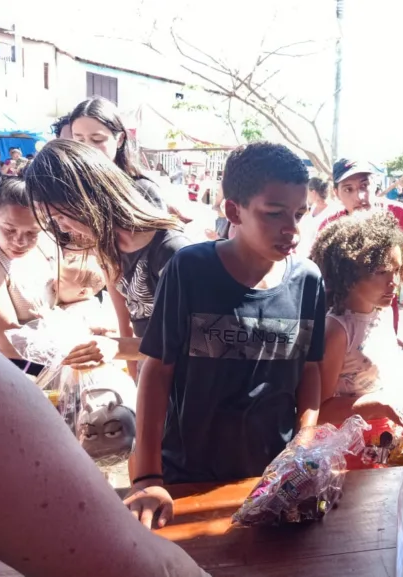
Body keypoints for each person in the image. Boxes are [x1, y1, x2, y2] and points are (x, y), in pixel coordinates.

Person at [0, 193, 208, 577]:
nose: (22, 239)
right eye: (11, 230)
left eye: (36, 231)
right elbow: (118, 556)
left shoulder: (50, 254)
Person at [124, 142, 325, 529]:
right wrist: (148, 477)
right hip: (189, 472)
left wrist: (305, 441)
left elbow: (310, 370)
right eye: (274, 213)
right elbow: (157, 370)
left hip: (272, 479)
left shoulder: (308, 282)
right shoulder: (190, 269)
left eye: (299, 213)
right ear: (234, 210)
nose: (292, 229)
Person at [23, 139, 191, 378]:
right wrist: (129, 363)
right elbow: (126, 318)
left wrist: (118, 347)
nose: (65, 229)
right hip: (149, 367)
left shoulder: (172, 251)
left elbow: (192, 341)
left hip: (184, 379)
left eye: (62, 217)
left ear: (87, 198)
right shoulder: (106, 244)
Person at [311, 211, 403, 466]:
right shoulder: (337, 330)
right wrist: (376, 404)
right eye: (382, 271)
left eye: (396, 270)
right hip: (348, 450)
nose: (394, 282)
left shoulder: (380, 314)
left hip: (383, 439)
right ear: (348, 275)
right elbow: (320, 410)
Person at [321, 159, 403, 346]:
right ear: (336, 193)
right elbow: (325, 284)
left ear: (376, 185)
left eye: (364, 185)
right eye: (348, 189)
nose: (360, 196)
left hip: (384, 317)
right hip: (342, 323)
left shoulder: (400, 215)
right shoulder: (330, 226)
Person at [0, 177, 57, 375]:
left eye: (32, 233)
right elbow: (10, 342)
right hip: (8, 370)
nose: (20, 241)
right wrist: (74, 349)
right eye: (9, 230)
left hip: (46, 360)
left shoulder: (45, 245)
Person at [69, 97, 165, 210]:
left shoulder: (143, 190)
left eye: (97, 139)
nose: (88, 147)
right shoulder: (68, 186)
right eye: (79, 140)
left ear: (120, 139)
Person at [297, 176, 333, 257]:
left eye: (307, 191)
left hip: (315, 258)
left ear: (313, 192)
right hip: (300, 255)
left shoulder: (331, 213)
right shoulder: (312, 207)